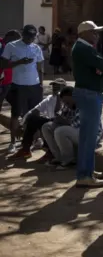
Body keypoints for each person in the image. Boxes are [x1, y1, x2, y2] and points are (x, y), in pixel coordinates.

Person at [72, 21, 103, 188]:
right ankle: (85, 175)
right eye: (93, 32)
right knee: (89, 137)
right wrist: (101, 70)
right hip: (89, 95)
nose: (96, 35)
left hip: (87, 93)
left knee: (86, 136)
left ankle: (87, 170)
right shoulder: (83, 49)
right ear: (83, 34)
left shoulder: (84, 48)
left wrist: (100, 69)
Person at [0, 25, 44, 154]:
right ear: (23, 35)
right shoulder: (11, 46)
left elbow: (40, 68)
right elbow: (2, 64)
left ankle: (36, 139)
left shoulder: (36, 48)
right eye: (28, 36)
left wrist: (41, 84)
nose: (30, 39)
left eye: (33, 36)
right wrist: (19, 62)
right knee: (16, 114)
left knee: (35, 114)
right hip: (18, 85)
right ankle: (13, 142)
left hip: (34, 85)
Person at [7, 78, 67, 160]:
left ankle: (51, 152)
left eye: (58, 86)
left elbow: (58, 113)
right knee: (33, 119)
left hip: (62, 124)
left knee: (47, 124)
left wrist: (59, 97)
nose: (55, 88)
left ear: (64, 87)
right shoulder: (49, 98)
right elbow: (33, 111)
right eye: (54, 85)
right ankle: (25, 149)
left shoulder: (68, 98)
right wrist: (22, 124)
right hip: (51, 124)